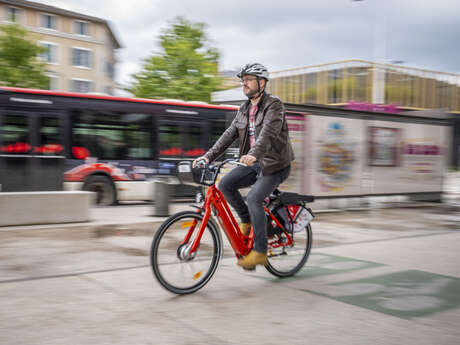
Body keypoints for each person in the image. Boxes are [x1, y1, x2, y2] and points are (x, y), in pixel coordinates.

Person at [193, 62, 294, 270]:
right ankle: (247, 219)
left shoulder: (274, 105)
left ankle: (260, 252)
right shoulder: (244, 108)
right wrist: (208, 157)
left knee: (254, 198)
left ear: (262, 82)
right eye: (243, 81)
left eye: (248, 80)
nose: (244, 84)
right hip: (254, 162)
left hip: (275, 164)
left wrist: (253, 154)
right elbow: (229, 135)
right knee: (225, 184)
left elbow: (268, 134)